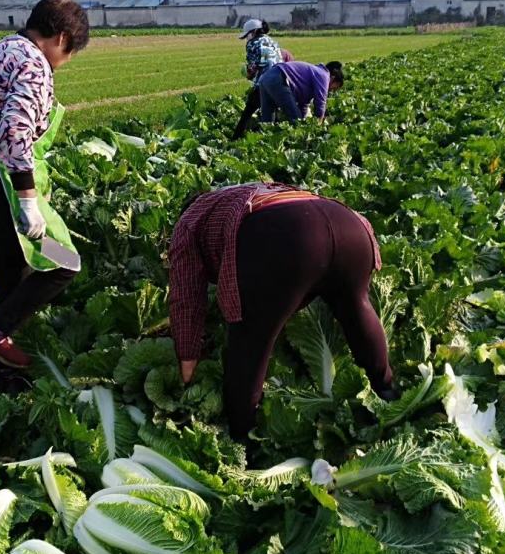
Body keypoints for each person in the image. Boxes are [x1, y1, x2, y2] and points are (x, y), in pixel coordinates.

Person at [168, 183, 395, 441]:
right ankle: (386, 390)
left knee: (251, 338)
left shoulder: (189, 220)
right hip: (348, 225)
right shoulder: (253, 191)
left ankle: (242, 436)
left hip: (289, 236)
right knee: (356, 306)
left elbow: (186, 298)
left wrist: (186, 364)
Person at [0, 0, 89, 368]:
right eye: (71, 51)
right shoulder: (34, 64)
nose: (66, 61)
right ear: (62, 37)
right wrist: (28, 200)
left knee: (12, 270)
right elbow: (13, 133)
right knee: (64, 262)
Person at [231, 19, 292, 140]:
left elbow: (254, 67)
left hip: (264, 82)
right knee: (272, 112)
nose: (246, 39)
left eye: (246, 36)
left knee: (248, 112)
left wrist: (249, 74)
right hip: (280, 80)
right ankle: (275, 139)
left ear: (253, 32)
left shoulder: (253, 43)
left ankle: (235, 139)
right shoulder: (273, 42)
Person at [258, 59, 344, 125]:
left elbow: (304, 104)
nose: (331, 91)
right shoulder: (324, 75)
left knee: (267, 121)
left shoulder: (314, 74)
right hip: (279, 77)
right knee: (296, 119)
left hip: (266, 78)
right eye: (334, 88)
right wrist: (319, 122)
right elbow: (320, 102)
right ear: (332, 78)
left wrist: (305, 119)